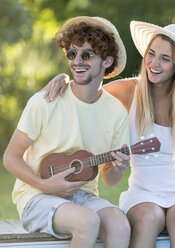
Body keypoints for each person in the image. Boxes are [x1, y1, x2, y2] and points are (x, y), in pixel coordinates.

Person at [43, 20, 175, 248]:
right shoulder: (128, 90)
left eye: (165, 59)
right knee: (147, 219)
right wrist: (65, 79)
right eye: (151, 54)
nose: (154, 63)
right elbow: (85, 92)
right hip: (143, 190)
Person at [3, 16, 132, 248]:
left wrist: (118, 167)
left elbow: (110, 181)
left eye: (87, 55)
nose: (77, 62)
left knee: (120, 225)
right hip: (36, 196)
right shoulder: (46, 101)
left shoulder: (116, 112)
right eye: (72, 54)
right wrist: (45, 185)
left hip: (82, 196)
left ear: (107, 60)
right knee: (87, 222)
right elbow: (10, 157)